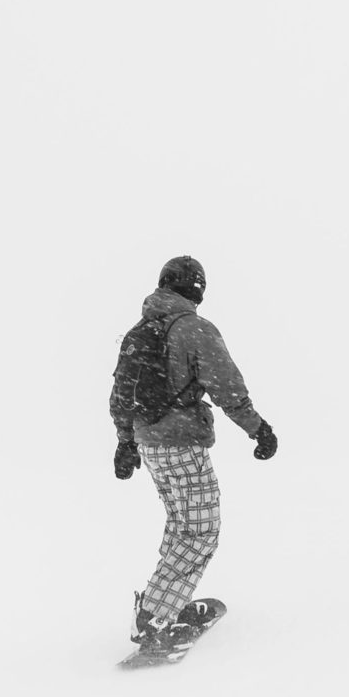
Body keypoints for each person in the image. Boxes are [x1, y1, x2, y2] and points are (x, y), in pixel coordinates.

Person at [108, 256, 279, 650]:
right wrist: (258, 430)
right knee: (200, 532)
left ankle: (163, 605)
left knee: (181, 525)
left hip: (150, 444)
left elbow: (120, 394)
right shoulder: (194, 329)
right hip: (182, 443)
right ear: (197, 290)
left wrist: (126, 442)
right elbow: (227, 388)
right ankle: (155, 619)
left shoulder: (140, 330)